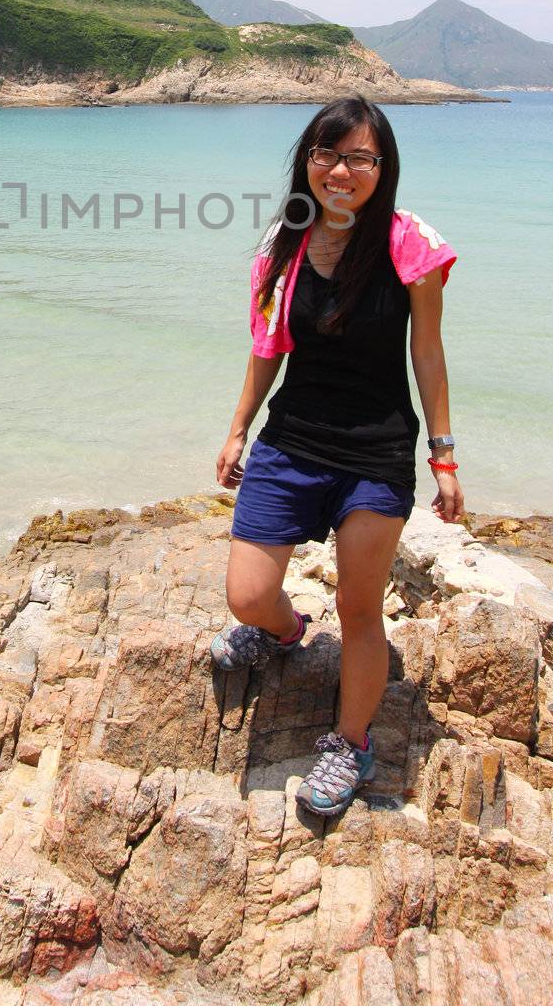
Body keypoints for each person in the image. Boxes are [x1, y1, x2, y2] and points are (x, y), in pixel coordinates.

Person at [209, 97, 464, 818]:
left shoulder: (408, 242)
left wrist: (442, 455)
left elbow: (427, 349)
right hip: (291, 440)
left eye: (360, 157)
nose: (341, 169)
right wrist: (237, 429)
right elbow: (266, 348)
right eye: (327, 154)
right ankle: (286, 634)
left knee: (358, 606)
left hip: (376, 450)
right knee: (248, 597)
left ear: (382, 169)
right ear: (307, 161)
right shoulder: (283, 241)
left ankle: (350, 742)